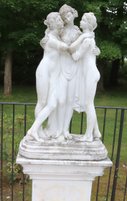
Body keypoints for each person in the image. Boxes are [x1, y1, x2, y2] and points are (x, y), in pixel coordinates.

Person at [27, 12, 68, 141]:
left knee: (52, 104)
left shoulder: (56, 37)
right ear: (54, 23)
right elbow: (65, 47)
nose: (62, 22)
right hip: (44, 72)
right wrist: (85, 38)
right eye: (60, 20)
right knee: (42, 102)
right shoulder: (51, 39)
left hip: (53, 74)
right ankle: (37, 130)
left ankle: (35, 129)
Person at [47, 4, 81, 139]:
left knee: (70, 101)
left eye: (69, 14)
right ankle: (58, 129)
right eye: (65, 16)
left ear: (73, 14)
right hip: (62, 67)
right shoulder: (61, 32)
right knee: (61, 100)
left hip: (74, 67)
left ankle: (65, 129)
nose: (68, 18)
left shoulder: (79, 32)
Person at [70, 12, 101, 142]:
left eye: (82, 20)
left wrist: (67, 51)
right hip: (90, 73)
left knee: (89, 105)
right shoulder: (89, 38)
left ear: (88, 24)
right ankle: (96, 132)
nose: (80, 21)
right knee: (89, 104)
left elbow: (76, 56)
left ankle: (88, 135)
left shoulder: (87, 39)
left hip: (90, 74)